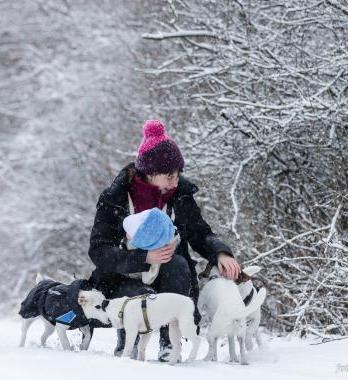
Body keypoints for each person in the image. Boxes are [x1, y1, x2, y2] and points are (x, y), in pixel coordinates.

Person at [87, 119, 241, 360]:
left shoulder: (179, 196)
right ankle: (127, 346)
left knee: (179, 266)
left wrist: (220, 253)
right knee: (136, 292)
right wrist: (143, 258)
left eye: (178, 173)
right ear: (149, 173)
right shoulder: (114, 198)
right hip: (122, 275)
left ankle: (170, 346)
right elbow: (98, 250)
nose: (176, 180)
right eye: (169, 175)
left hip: (169, 271)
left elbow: (199, 231)